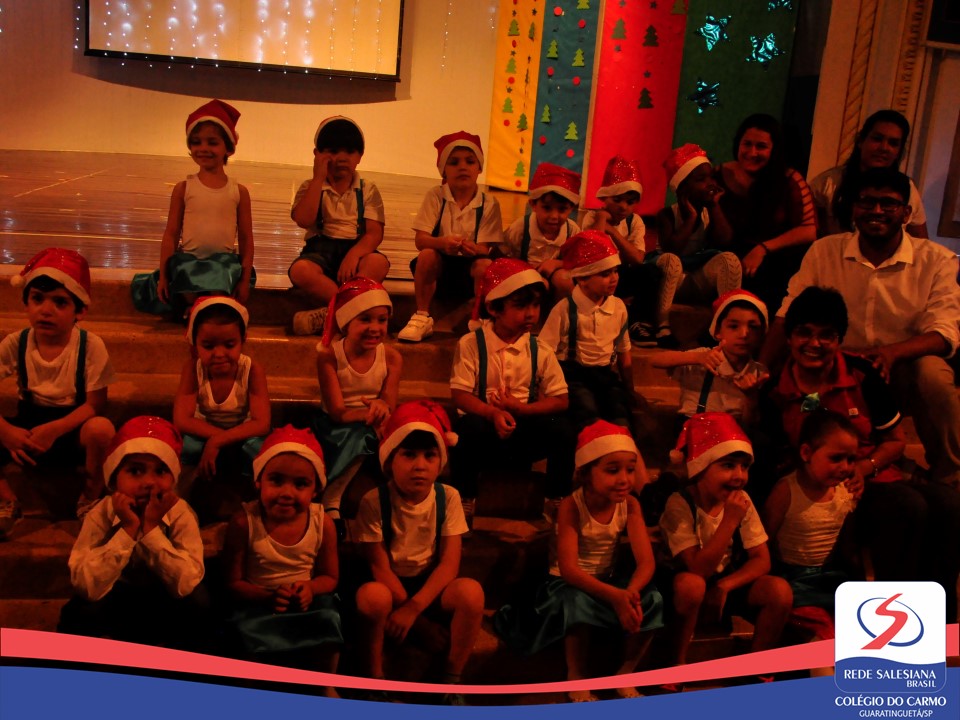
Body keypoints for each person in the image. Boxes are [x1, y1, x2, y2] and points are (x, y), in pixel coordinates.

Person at [764, 284, 960, 621]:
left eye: (826, 335)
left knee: (950, 505)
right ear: (790, 338)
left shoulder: (862, 373)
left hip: (872, 474)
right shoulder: (774, 390)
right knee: (907, 507)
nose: (814, 343)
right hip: (821, 489)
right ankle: (892, 620)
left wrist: (863, 468)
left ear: (839, 339)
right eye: (805, 333)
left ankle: (941, 621)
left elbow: (895, 440)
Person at [768, 168, 960, 489]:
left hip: (900, 369)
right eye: (867, 202)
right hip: (835, 368)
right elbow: (789, 313)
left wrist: (889, 354)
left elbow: (945, 333)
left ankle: (949, 477)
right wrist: (760, 367)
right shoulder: (825, 251)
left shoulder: (936, 260)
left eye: (888, 203)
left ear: (906, 213)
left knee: (933, 374)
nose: (877, 210)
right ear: (853, 208)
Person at [493, 421, 663, 702]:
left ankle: (626, 673)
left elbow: (646, 562)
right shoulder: (572, 506)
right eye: (612, 470)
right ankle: (577, 675)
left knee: (653, 599)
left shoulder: (631, 504)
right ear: (585, 473)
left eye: (630, 470)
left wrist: (630, 593)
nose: (624, 479)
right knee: (576, 602)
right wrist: (616, 597)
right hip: (567, 584)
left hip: (609, 582)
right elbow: (569, 570)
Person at [353, 401, 483, 705]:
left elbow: (449, 564)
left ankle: (451, 680)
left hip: (430, 588)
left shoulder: (448, 497)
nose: (420, 465)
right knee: (371, 597)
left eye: (429, 455)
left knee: (471, 593)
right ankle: (375, 681)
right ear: (389, 460)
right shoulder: (374, 501)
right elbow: (379, 568)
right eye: (409, 454)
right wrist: (419, 625)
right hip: (390, 587)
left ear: (441, 462)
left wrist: (414, 610)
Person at [59, 417, 206, 648]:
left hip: (162, 596)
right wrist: (127, 530)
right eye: (135, 471)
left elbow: (186, 582)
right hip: (116, 593)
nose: (149, 482)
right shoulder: (101, 513)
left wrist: (151, 530)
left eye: (161, 471)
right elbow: (86, 585)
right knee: (77, 614)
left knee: (200, 605)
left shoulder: (180, 513)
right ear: (114, 478)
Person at [659, 413, 792, 668]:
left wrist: (725, 586)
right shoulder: (680, 503)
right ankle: (676, 666)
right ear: (700, 467)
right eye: (728, 466)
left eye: (744, 467)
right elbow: (697, 569)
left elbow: (761, 559)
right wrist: (730, 521)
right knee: (693, 586)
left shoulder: (741, 499)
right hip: (682, 591)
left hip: (722, 583)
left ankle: (758, 668)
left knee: (779, 591)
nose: (739, 475)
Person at [1, 248, 116, 538]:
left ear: (80, 311)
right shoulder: (16, 342)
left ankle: (90, 495)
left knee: (101, 429)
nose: (46, 309)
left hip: (69, 429)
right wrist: (6, 431)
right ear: (26, 303)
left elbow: (95, 404)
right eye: (37, 298)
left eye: (60, 302)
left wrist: (55, 429)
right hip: (26, 429)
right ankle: (6, 500)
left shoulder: (90, 346)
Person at [449, 259, 572, 525]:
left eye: (535, 306)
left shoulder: (540, 349)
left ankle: (557, 498)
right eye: (521, 306)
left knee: (563, 429)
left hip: (522, 432)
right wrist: (492, 413)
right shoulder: (471, 344)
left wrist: (524, 409)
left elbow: (561, 399)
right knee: (465, 431)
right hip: (485, 433)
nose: (531, 314)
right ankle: (464, 499)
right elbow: (459, 394)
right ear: (494, 308)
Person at [221, 427, 341, 686]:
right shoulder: (244, 523)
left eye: (300, 484)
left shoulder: (323, 523)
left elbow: (330, 577)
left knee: (330, 619)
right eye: (276, 480)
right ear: (258, 482)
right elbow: (233, 583)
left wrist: (310, 588)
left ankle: (325, 685)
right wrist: (268, 596)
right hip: (259, 600)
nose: (287, 493)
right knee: (242, 630)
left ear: (316, 489)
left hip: (305, 600)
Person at [132, 99, 255, 317]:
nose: (203, 148)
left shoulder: (239, 192)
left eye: (212, 142)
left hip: (222, 266)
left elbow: (246, 238)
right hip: (189, 263)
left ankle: (203, 309)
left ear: (228, 147)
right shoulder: (183, 188)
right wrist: (163, 276)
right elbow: (171, 234)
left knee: (218, 281)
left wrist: (244, 279)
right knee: (186, 275)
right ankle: (195, 308)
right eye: (197, 142)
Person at [312, 278, 401, 537]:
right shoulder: (329, 356)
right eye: (365, 319)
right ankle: (331, 501)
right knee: (363, 435)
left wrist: (380, 408)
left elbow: (389, 401)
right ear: (346, 322)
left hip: (375, 421)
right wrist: (369, 415)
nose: (375, 328)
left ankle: (400, 502)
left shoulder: (392, 357)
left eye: (382, 320)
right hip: (337, 428)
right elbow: (337, 411)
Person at [398, 132, 503, 342]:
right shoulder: (436, 195)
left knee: (484, 265)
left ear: (479, 168)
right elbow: (421, 240)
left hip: (468, 274)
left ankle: (479, 317)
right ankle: (422, 316)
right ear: (443, 170)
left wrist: (472, 248)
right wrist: (442, 243)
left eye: (470, 162)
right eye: (454, 162)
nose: (462, 167)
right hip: (441, 271)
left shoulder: (489, 203)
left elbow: (484, 248)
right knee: (427, 255)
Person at [289, 116, 389, 335]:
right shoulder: (310, 186)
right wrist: (318, 179)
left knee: (378, 263)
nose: (342, 158)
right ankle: (349, 309)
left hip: (356, 250)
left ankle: (330, 314)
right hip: (319, 252)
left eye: (350, 151)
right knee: (300, 270)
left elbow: (374, 233)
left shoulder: (367, 189)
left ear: (360, 156)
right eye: (333, 151)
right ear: (318, 154)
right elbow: (303, 220)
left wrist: (354, 255)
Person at [539, 231, 641, 445]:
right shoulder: (565, 309)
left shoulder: (618, 307)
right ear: (582, 279)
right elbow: (544, 351)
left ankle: (621, 451)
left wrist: (629, 388)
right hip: (574, 375)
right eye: (605, 274)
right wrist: (546, 390)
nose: (614, 278)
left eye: (615, 271)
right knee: (587, 414)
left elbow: (623, 350)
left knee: (620, 415)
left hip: (605, 374)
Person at [763, 410, 859, 636]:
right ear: (806, 453)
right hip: (794, 579)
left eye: (851, 459)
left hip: (831, 577)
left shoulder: (845, 490)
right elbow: (765, 539)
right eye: (836, 458)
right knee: (824, 632)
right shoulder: (786, 491)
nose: (845, 467)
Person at [173, 297, 270, 521]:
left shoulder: (252, 370)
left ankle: (259, 505)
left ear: (243, 340)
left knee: (258, 449)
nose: (219, 354)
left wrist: (218, 441)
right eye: (208, 346)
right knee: (188, 447)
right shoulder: (193, 369)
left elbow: (262, 422)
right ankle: (179, 504)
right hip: (205, 429)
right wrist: (218, 437)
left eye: (229, 345)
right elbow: (182, 419)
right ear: (195, 344)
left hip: (243, 432)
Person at [716, 114, 816, 315]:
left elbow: (809, 230)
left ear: (774, 149)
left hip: (775, 260)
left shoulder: (790, 179)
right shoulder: (718, 175)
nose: (752, 153)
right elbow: (719, 236)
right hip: (727, 255)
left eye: (761, 146)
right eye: (747, 144)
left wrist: (762, 249)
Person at [582, 156, 680, 348]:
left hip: (622, 274)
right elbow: (594, 254)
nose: (623, 207)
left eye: (630, 202)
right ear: (604, 198)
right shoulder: (592, 217)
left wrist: (613, 231)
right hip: (599, 275)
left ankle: (640, 323)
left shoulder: (634, 221)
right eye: (617, 200)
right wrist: (602, 221)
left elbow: (637, 258)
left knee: (650, 271)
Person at [651, 289, 769, 426]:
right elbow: (656, 360)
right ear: (717, 331)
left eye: (753, 327)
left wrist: (751, 397)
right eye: (734, 326)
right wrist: (697, 358)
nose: (744, 334)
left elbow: (749, 425)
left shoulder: (758, 372)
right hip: (695, 428)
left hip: (734, 432)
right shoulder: (703, 356)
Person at [809, 109, 928, 238]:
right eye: (877, 139)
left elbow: (921, 242)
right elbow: (814, 236)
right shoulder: (828, 183)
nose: (884, 148)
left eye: (893, 143)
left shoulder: (907, 189)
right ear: (861, 141)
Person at [654, 144, 741, 314]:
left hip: (696, 276)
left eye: (711, 177)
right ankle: (662, 320)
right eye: (701, 180)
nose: (710, 184)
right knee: (671, 261)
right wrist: (691, 218)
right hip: (670, 279)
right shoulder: (667, 214)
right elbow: (672, 249)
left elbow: (725, 240)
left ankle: (727, 315)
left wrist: (714, 205)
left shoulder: (710, 212)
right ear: (683, 188)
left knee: (729, 260)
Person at [501, 163, 581, 299]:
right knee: (539, 285)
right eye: (547, 208)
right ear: (533, 204)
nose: (554, 216)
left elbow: (580, 261)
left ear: (571, 208)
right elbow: (502, 257)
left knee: (564, 280)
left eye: (562, 209)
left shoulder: (572, 230)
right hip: (523, 278)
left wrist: (556, 263)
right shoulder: (520, 227)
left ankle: (561, 311)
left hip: (557, 277)